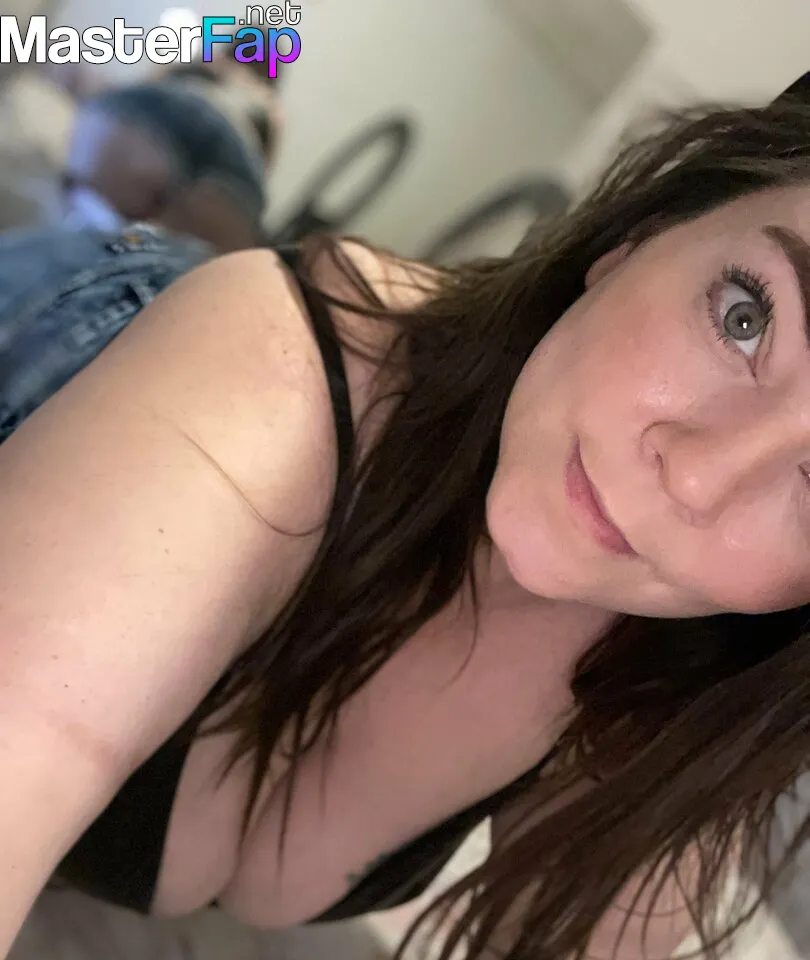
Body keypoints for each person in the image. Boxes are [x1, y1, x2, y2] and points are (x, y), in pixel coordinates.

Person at [3, 90, 810, 960]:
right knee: (172, 158)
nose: (698, 474)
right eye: (745, 318)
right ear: (640, 236)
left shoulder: (682, 687)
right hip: (86, 301)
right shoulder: (274, 376)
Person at [57, 39, 283, 251]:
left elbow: (148, 83)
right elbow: (261, 173)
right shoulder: (269, 106)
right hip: (227, 151)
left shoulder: (205, 63)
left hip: (142, 116)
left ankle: (95, 208)